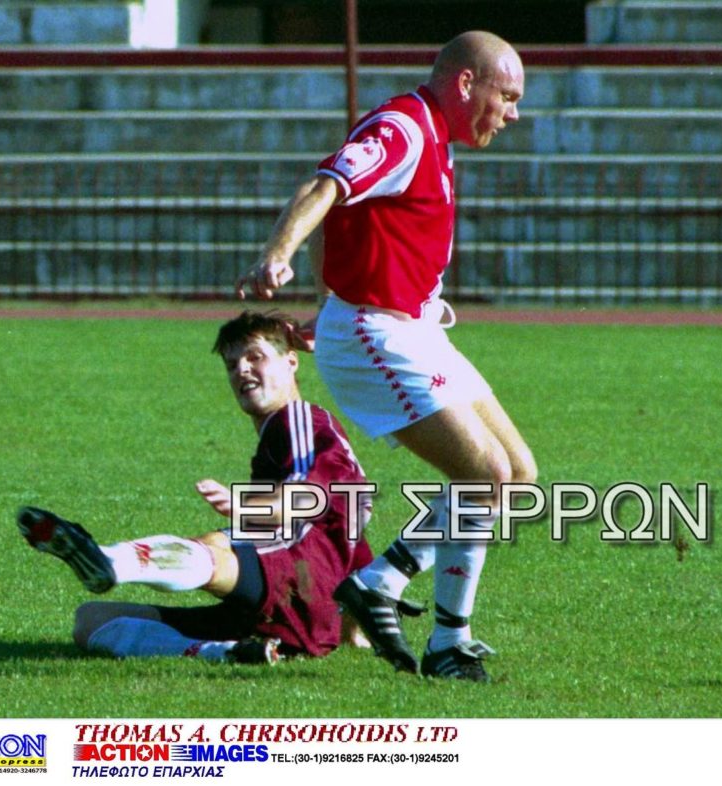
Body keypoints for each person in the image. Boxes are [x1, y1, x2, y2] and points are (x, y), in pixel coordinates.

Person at [234, 31, 537, 682]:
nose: (512, 113)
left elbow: (346, 214)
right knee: (482, 475)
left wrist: (327, 294)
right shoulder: (403, 128)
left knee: (516, 475)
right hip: (379, 330)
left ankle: (385, 589)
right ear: (465, 84)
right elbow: (324, 188)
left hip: (411, 327)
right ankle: (438, 636)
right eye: (506, 96)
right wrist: (277, 255)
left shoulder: (434, 135)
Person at [16, 311, 381, 665]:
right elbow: (350, 532)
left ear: (291, 362)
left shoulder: (298, 420)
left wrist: (244, 506)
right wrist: (357, 630)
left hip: (295, 586)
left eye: (256, 357)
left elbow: (308, 498)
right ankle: (224, 653)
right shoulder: (278, 440)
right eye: (232, 364)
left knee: (217, 546)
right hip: (279, 622)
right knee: (91, 620)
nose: (242, 370)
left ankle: (112, 560)